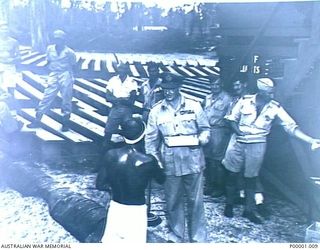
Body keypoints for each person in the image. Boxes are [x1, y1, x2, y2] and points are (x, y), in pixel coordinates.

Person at [222, 77, 320, 224]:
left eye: (272, 93)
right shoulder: (244, 101)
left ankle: (249, 210)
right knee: (232, 174)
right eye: (269, 93)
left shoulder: (275, 107)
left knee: (251, 178)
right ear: (260, 92)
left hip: (257, 145)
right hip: (237, 143)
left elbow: (291, 127)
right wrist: (239, 132)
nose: (271, 96)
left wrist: (311, 140)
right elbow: (231, 119)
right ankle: (228, 204)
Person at [145, 72, 210, 243]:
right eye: (165, 89)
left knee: (195, 201)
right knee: (173, 200)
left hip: (193, 159)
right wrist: (156, 162)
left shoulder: (194, 106)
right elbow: (151, 140)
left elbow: (205, 129)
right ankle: (176, 235)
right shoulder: (156, 111)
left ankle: (198, 238)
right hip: (170, 161)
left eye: (172, 89)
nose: (168, 92)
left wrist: (202, 140)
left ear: (179, 87)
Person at [96, 117, 165, 243]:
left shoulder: (110, 155)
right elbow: (161, 180)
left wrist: (113, 188)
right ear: (143, 136)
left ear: (123, 136)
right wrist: (158, 163)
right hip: (136, 211)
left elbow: (100, 184)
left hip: (115, 207)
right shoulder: (148, 160)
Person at [27, 29, 76, 131]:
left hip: (65, 74)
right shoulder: (50, 49)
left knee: (66, 99)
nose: (58, 41)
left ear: (64, 40)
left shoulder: (70, 52)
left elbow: (73, 65)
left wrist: (70, 78)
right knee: (47, 97)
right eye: (56, 39)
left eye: (60, 39)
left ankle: (65, 122)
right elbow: (48, 61)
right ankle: (37, 119)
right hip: (54, 74)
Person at [202, 77, 232, 198]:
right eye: (212, 84)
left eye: (217, 84)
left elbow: (230, 118)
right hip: (207, 130)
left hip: (220, 130)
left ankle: (219, 187)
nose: (214, 87)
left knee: (217, 162)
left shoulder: (227, 99)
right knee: (207, 160)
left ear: (222, 85)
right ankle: (209, 185)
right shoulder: (207, 97)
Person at [103, 62, 138, 149]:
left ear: (127, 69)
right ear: (117, 69)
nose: (122, 70)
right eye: (120, 68)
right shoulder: (112, 80)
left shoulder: (132, 82)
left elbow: (131, 101)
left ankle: (129, 147)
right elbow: (107, 97)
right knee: (108, 130)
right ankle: (105, 148)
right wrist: (122, 99)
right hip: (115, 107)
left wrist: (116, 99)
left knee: (129, 128)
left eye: (124, 68)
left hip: (127, 109)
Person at [0, 22, 21, 112]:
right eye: (2, 29)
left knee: (11, 90)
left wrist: (12, 60)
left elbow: (19, 56)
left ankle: (13, 113)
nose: (4, 31)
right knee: (1, 90)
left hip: (10, 67)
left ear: (9, 31)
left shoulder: (14, 42)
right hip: (0, 65)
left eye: (6, 29)